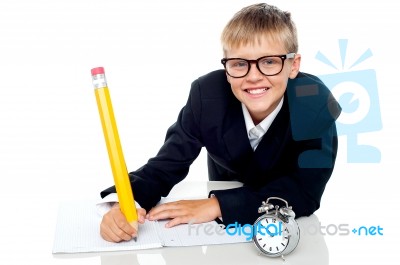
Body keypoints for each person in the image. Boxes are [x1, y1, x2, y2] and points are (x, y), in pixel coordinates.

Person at [99, 3, 341, 243]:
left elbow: (305, 190)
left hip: (286, 228)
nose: (253, 76)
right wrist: (124, 203)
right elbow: (164, 167)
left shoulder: (316, 104)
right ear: (226, 68)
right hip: (219, 234)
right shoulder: (207, 96)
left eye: (269, 62)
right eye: (239, 63)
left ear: (293, 65)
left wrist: (217, 205)